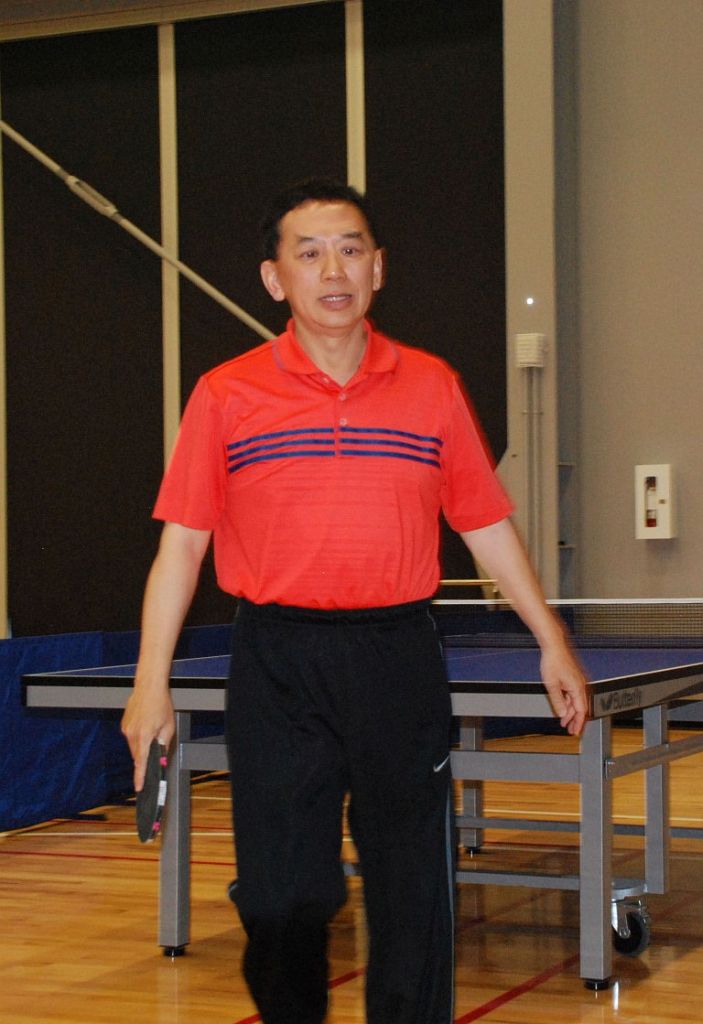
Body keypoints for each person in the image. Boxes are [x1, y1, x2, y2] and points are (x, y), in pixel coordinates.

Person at [121, 178, 587, 1024]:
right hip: (277, 662)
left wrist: (549, 638)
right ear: (275, 279)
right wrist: (149, 686)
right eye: (309, 253)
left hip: (396, 657)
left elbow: (483, 523)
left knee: (412, 891)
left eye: (349, 249)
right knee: (280, 897)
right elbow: (180, 548)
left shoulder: (432, 385)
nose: (332, 270)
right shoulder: (226, 394)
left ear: (378, 268)